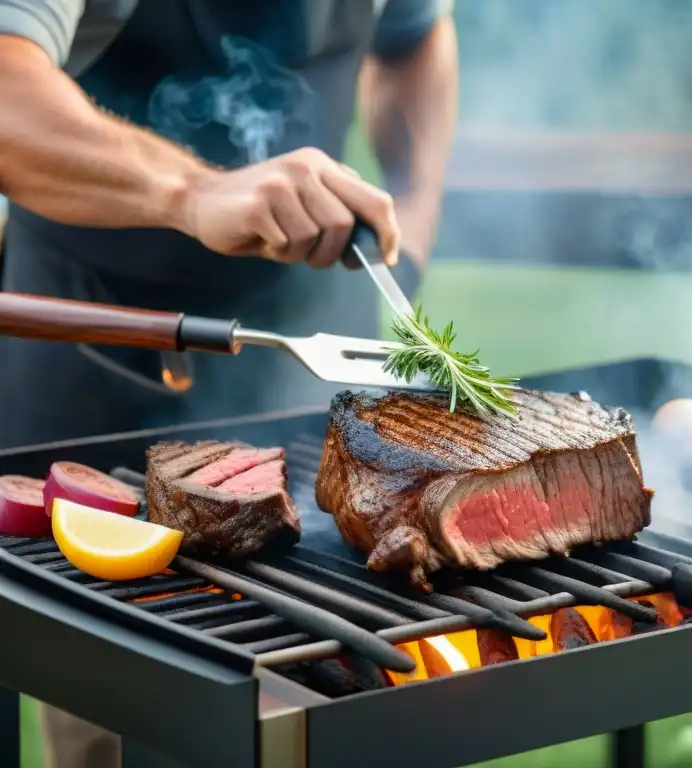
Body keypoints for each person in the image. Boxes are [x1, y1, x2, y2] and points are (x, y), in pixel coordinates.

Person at [0, 1, 458, 766]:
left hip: (315, 341)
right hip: (99, 339)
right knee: (121, 730)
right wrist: (193, 193)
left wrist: (417, 213)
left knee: (331, 709)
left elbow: (414, 39)